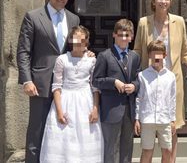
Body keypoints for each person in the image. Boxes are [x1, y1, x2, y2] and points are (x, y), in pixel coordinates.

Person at [17, 0, 80, 163]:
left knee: (62, 134)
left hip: (67, 86)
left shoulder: (74, 18)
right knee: (37, 134)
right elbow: (23, 51)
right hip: (41, 85)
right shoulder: (33, 16)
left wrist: (87, 54)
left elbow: (74, 49)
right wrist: (27, 80)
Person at [133, 0, 187, 162]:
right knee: (150, 127)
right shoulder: (144, 23)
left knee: (171, 127)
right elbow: (137, 50)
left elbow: (184, 51)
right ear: (153, 1)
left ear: (171, 1)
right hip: (149, 80)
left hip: (171, 80)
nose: (163, 1)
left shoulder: (179, 21)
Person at [40, 25, 103, 162]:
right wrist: (59, 111)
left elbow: (95, 87)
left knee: (85, 138)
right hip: (66, 100)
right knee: (64, 139)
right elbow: (56, 86)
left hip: (85, 101)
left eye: (82, 40)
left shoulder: (92, 60)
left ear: (86, 42)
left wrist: (95, 108)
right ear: (70, 40)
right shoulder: (62, 59)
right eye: (75, 40)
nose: (78, 43)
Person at [92, 18, 141, 163]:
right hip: (111, 110)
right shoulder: (105, 56)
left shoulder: (135, 57)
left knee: (127, 148)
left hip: (129, 111)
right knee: (111, 148)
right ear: (114, 35)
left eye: (127, 35)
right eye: (120, 35)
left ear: (131, 37)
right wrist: (113, 82)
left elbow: (139, 79)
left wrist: (134, 86)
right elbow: (96, 80)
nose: (124, 39)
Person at [134, 40, 176, 163]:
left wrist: (172, 119)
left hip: (165, 119)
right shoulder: (142, 75)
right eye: (154, 54)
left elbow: (172, 99)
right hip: (147, 119)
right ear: (150, 55)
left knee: (167, 150)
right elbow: (139, 98)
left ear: (164, 55)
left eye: (159, 54)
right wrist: (137, 119)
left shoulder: (170, 76)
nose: (156, 57)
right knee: (147, 151)